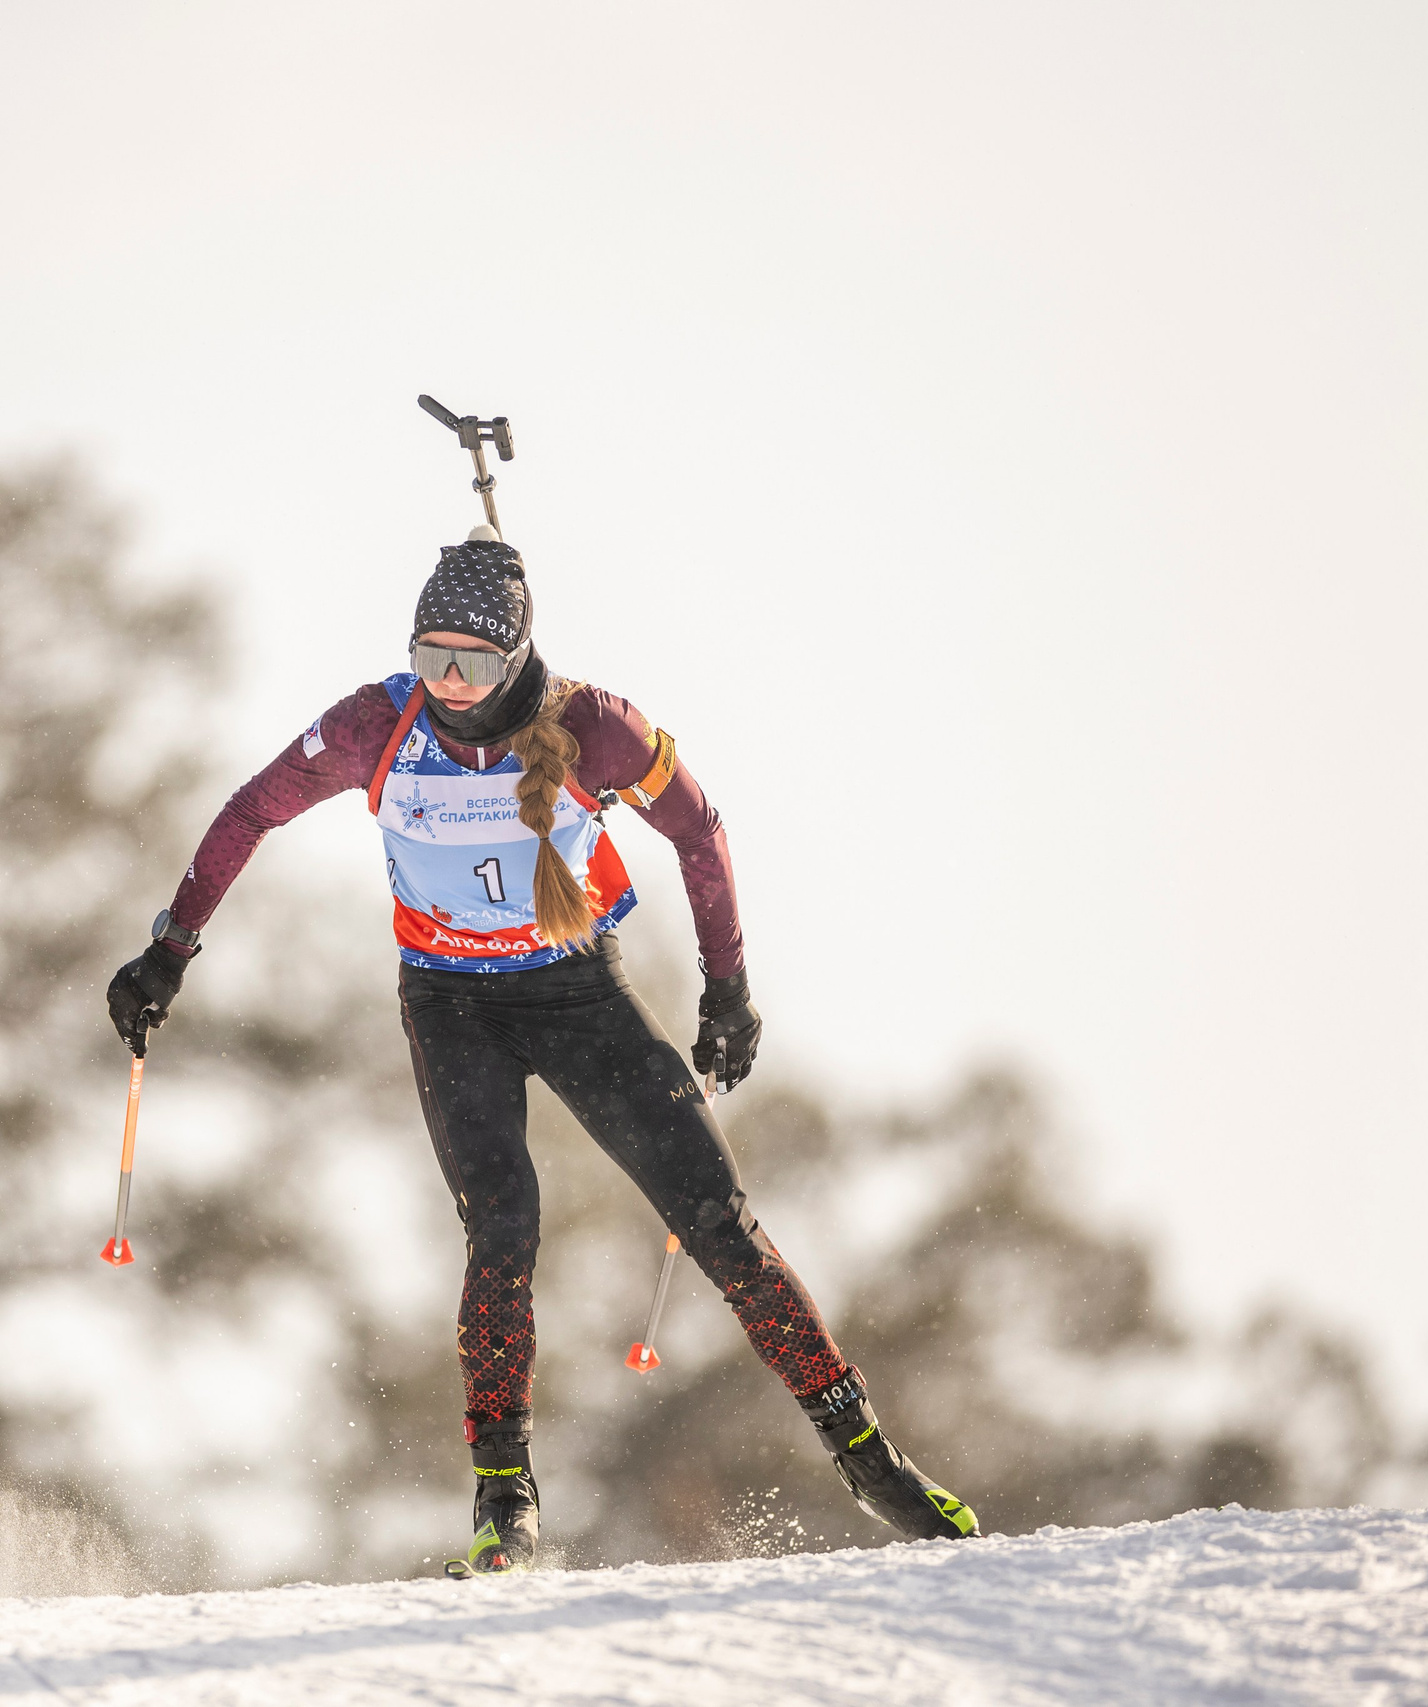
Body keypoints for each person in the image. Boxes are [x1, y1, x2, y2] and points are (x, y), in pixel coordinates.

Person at [106, 531, 977, 1573]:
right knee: (502, 1232)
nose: (447, 683)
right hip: (449, 1007)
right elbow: (252, 811)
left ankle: (870, 1461)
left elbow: (699, 832)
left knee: (718, 1224)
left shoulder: (593, 728)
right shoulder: (375, 724)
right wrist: (171, 948)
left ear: (518, 656)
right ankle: (504, 1500)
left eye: (471, 661)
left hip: (577, 996)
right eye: (429, 658)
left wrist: (727, 986)